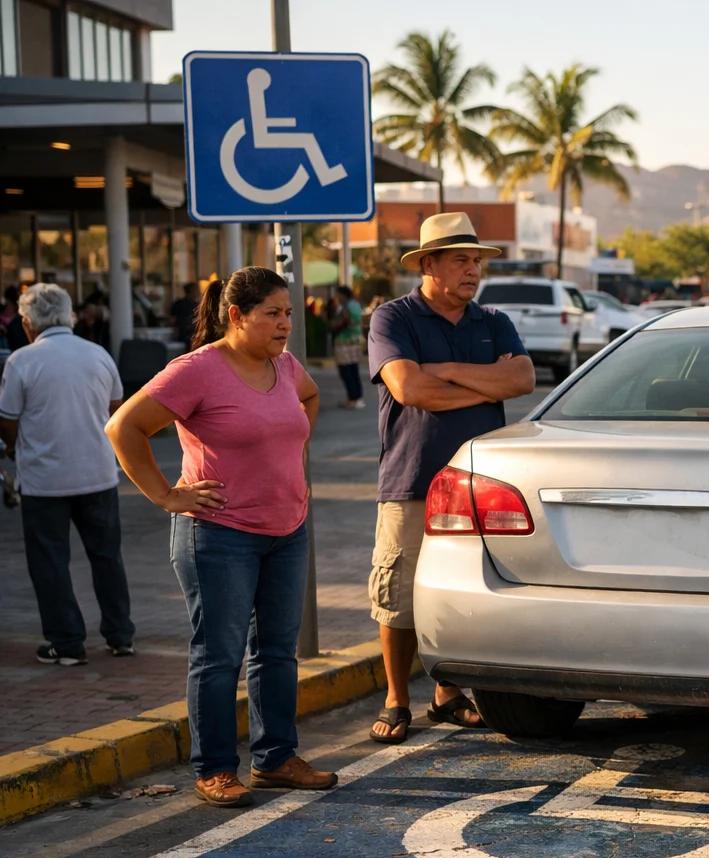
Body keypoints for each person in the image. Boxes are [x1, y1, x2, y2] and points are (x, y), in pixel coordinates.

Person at [106, 266, 336, 808]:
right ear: (236, 316)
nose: (285, 325)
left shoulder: (284, 365)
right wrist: (166, 495)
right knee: (219, 655)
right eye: (272, 314)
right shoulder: (197, 371)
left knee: (278, 653)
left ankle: (276, 758)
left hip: (288, 529)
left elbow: (309, 399)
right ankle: (213, 768)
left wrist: (288, 462)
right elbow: (124, 427)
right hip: (218, 535)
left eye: (288, 313)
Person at [366, 212, 536, 744]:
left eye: (477, 260)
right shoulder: (392, 319)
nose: (473, 270)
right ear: (428, 264)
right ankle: (397, 698)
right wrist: (488, 386)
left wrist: (442, 370)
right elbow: (410, 390)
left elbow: (523, 379)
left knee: (466, 592)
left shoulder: (493, 321)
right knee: (399, 596)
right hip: (412, 479)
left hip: (481, 484)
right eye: (461, 259)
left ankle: (447, 693)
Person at [0, 283, 135, 665]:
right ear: (69, 314)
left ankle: (67, 643)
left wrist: (13, 447)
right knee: (107, 556)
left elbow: (7, 422)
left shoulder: (22, 361)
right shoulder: (98, 354)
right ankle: (121, 634)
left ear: (28, 322)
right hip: (98, 473)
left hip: (45, 481)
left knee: (50, 562)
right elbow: (116, 408)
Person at [331, 285, 365, 409]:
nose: (336, 297)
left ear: (343, 294)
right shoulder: (355, 304)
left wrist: (334, 325)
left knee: (345, 370)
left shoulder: (345, 306)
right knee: (354, 370)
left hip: (344, 342)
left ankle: (352, 398)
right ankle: (358, 397)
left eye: (338, 294)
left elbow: (343, 321)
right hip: (355, 341)